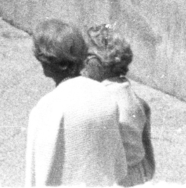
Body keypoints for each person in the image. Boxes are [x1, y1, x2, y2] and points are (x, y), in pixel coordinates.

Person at [25, 20, 126, 187]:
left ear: (46, 62)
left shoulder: (48, 107)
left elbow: (36, 173)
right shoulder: (105, 94)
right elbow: (119, 166)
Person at [84, 24, 156, 186]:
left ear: (95, 62)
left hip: (113, 178)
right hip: (138, 174)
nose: (83, 68)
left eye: (86, 60)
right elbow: (147, 151)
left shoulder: (99, 100)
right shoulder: (138, 100)